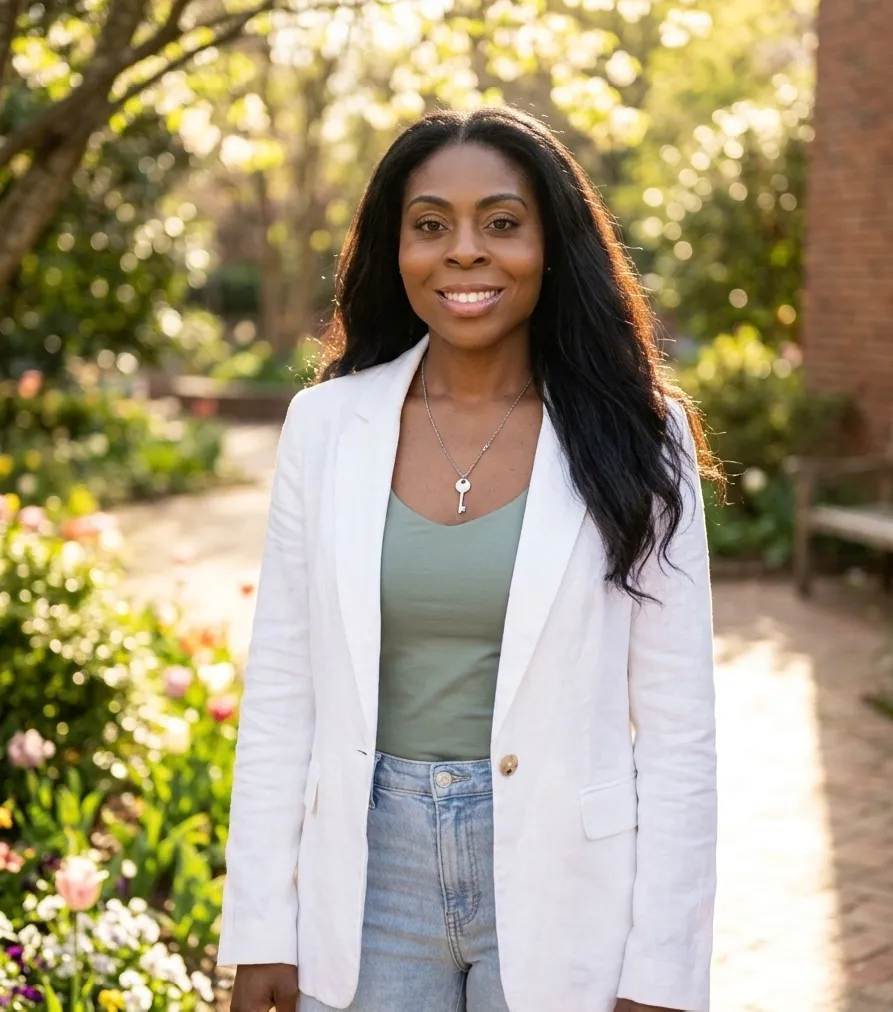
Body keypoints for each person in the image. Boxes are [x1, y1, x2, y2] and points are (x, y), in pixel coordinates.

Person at [219, 105, 720, 1012]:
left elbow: (680, 732)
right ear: (395, 249)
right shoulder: (325, 428)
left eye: (500, 222)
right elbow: (281, 695)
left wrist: (662, 973)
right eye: (429, 226)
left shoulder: (643, 435)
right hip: (371, 874)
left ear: (551, 244)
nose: (463, 251)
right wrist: (260, 928)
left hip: (565, 877)